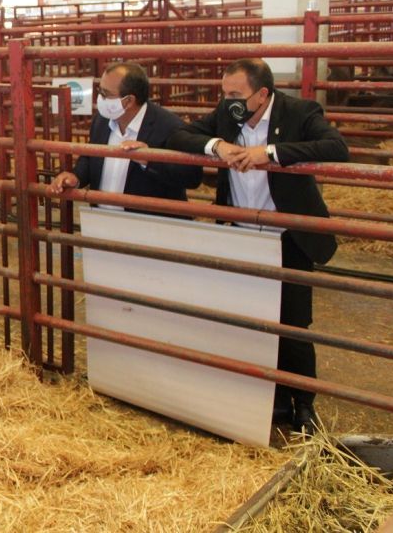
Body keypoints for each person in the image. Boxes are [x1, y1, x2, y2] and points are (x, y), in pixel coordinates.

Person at [168, 58, 349, 434]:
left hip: (287, 236)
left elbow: (336, 146)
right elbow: (179, 137)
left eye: (236, 94)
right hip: (239, 234)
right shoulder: (227, 114)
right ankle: (271, 396)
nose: (228, 101)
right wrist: (216, 146)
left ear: (262, 94)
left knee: (294, 324)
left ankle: (303, 403)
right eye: (225, 93)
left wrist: (270, 153)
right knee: (249, 319)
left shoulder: (299, 111)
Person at [48, 62, 203, 208]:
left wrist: (150, 160)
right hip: (102, 219)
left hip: (149, 223)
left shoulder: (169, 126)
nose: (100, 98)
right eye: (99, 91)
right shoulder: (102, 120)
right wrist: (77, 177)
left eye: (106, 94)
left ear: (129, 101)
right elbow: (90, 157)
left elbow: (192, 177)